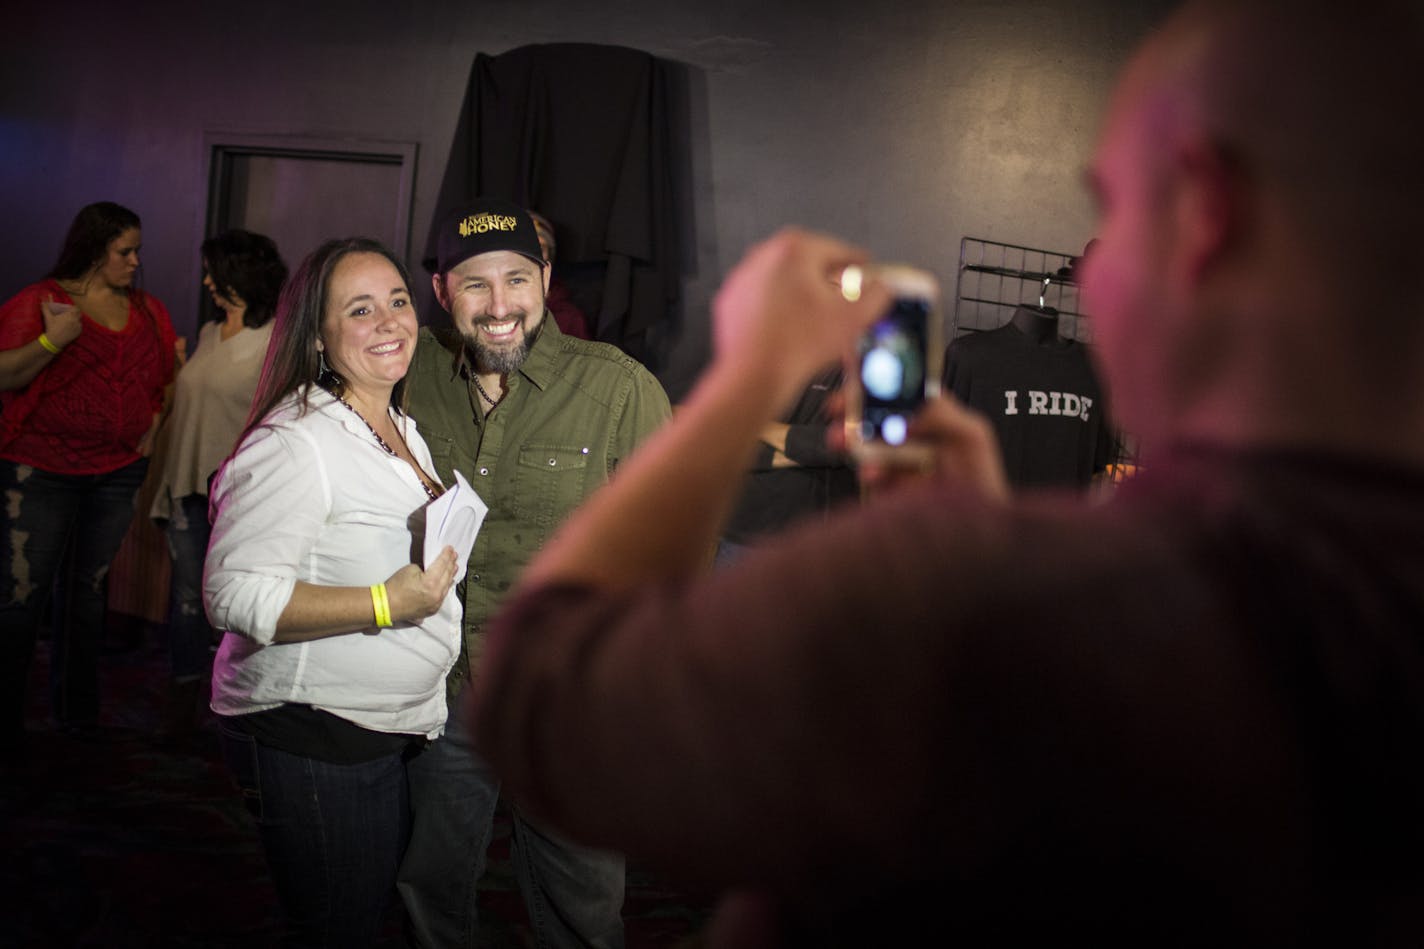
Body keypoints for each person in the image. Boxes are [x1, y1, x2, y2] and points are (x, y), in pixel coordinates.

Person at [464, 2, 1424, 946]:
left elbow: (543, 710)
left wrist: (750, 371)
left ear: (1205, 213)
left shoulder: (1046, 592)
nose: (1093, 276)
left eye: (1116, 210)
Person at [398, 198, 671, 949]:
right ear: (442, 289)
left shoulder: (617, 389)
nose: (498, 307)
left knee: (583, 905)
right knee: (429, 887)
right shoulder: (407, 370)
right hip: (439, 689)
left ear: (546, 279)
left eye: (516, 279)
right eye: (475, 284)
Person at [202, 237, 462, 948]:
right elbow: (231, 595)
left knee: (363, 911)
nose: (390, 321)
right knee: (338, 928)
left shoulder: (396, 425)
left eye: (398, 301)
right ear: (317, 334)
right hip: (314, 732)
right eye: (360, 309)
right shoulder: (297, 441)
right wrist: (387, 603)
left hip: (383, 727)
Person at [0, 201, 177, 748]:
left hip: (117, 472)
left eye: (136, 250)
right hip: (41, 470)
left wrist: (153, 422)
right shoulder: (43, 301)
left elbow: (166, 378)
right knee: (23, 595)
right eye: (124, 251)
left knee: (88, 592)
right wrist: (56, 338)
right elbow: (6, 372)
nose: (134, 261)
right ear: (95, 249)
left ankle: (76, 716)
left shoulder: (147, 309)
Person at [148, 228, 287, 736]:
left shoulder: (274, 339)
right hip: (187, 485)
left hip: (239, 497)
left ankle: (234, 706)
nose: (206, 281)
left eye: (215, 271)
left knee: (233, 602)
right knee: (187, 599)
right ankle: (184, 703)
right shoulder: (209, 333)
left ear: (240, 276)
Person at [716, 364, 858, 566]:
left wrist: (766, 433)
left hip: (828, 538)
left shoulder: (857, 355)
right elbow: (731, 441)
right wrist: (815, 446)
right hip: (749, 539)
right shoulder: (757, 351)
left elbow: (854, 441)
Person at [529, 209, 593, 340]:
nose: (534, 255)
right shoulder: (497, 306)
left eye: (540, 248)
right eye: (528, 247)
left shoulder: (568, 316)